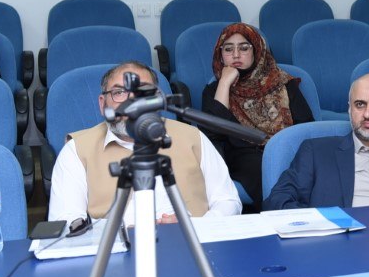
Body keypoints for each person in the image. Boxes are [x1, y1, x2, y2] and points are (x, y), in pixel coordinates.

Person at [48, 61, 241, 226]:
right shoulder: (77, 149)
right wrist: (124, 233)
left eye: (143, 92)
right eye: (119, 92)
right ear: (102, 103)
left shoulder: (192, 137)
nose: (133, 102)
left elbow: (228, 201)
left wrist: (197, 226)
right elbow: (66, 221)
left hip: (193, 242)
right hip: (117, 251)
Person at [264, 73, 369, 209]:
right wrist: (322, 225)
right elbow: (277, 201)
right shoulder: (316, 152)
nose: (368, 114)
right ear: (349, 109)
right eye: (360, 104)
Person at [200, 23, 314, 208]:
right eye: (228, 49)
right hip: (244, 157)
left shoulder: (282, 83)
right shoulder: (214, 90)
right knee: (263, 168)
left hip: (287, 149)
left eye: (244, 48)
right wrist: (224, 83)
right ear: (220, 54)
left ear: (257, 50)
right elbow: (213, 134)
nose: (236, 55)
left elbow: (306, 126)